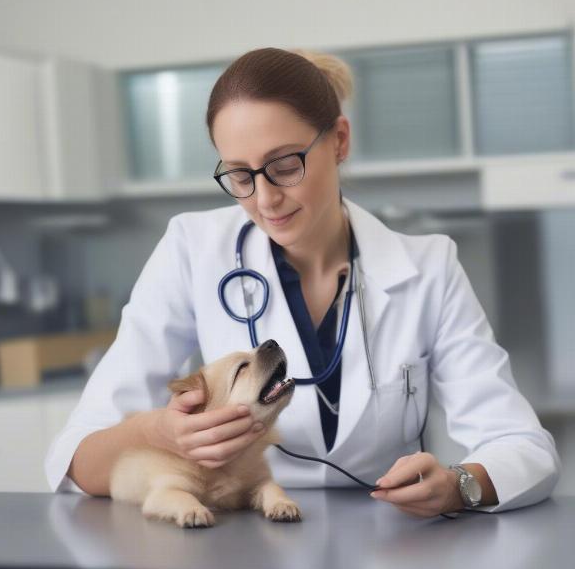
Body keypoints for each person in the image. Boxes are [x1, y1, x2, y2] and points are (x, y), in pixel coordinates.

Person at [45, 47, 560, 517]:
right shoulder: (192, 248)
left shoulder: (428, 267)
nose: (265, 200)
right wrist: (157, 432)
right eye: (240, 177)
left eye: (284, 165)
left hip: (393, 543)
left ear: (338, 141)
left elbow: (523, 446)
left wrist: (459, 483)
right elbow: (77, 457)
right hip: (242, 545)